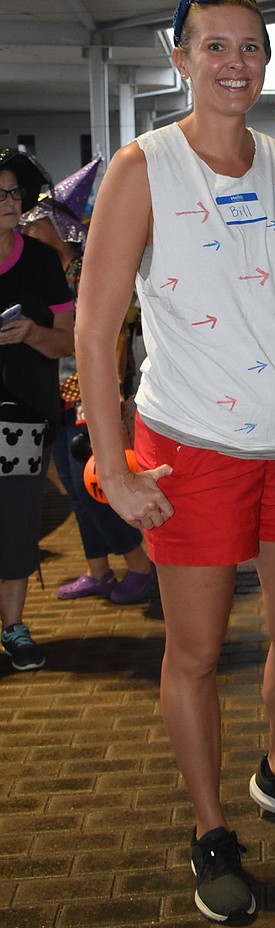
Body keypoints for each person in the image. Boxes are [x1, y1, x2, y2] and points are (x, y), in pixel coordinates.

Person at [75, 0, 275, 925]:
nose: (235, 64)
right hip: (189, 447)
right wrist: (115, 465)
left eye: (250, 48)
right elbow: (96, 329)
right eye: (214, 47)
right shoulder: (143, 169)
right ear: (179, 57)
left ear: (269, 65)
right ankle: (210, 829)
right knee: (193, 652)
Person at [20, 164, 156, 606]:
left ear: (56, 227)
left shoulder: (84, 269)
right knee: (76, 489)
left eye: (36, 225)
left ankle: (138, 565)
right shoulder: (47, 271)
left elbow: (111, 337)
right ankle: (98, 569)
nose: (29, 232)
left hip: (90, 392)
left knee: (93, 485)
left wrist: (114, 396)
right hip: (57, 391)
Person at [0, 150, 75, 671]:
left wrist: (31, 332)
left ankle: (15, 626)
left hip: (23, 419)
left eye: (12, 193)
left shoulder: (41, 260)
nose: (10, 203)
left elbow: (67, 340)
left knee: (19, 521)